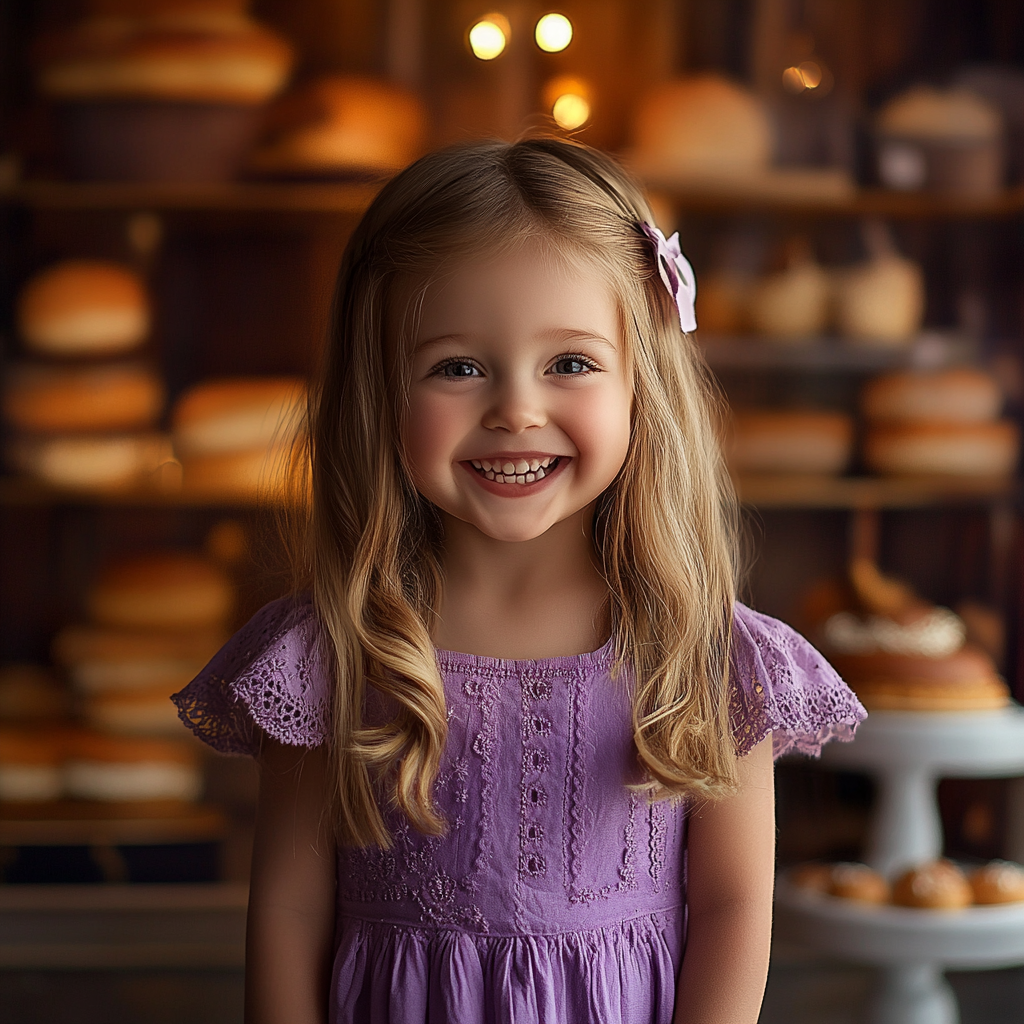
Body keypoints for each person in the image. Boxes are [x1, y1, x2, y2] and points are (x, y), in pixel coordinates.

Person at [173, 138, 866, 1024]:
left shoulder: (704, 649)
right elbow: (289, 907)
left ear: (640, 382)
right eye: (457, 366)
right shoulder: (336, 649)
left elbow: (733, 906)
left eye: (570, 363)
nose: (516, 410)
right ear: (378, 390)